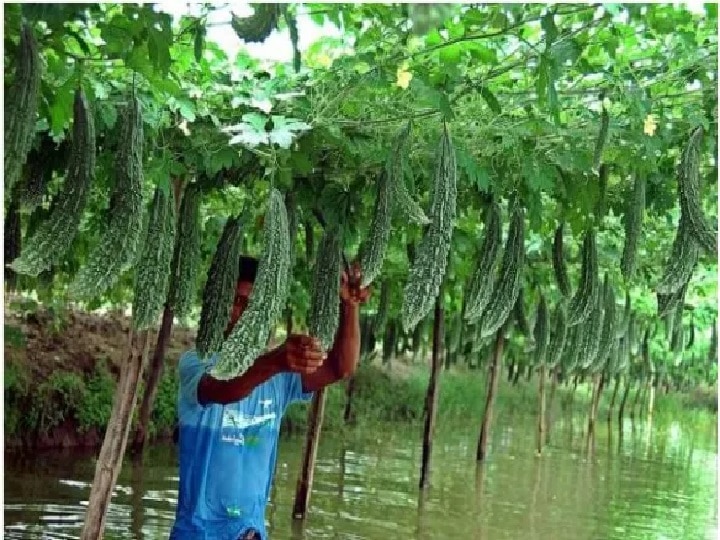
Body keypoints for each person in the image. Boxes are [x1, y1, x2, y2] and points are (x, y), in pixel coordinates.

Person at [169, 255, 370, 540]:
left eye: (253, 307)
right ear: (218, 307)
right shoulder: (196, 363)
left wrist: (350, 306)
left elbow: (341, 366)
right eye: (237, 302)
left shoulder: (279, 377)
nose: (243, 314)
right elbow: (223, 389)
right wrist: (276, 361)